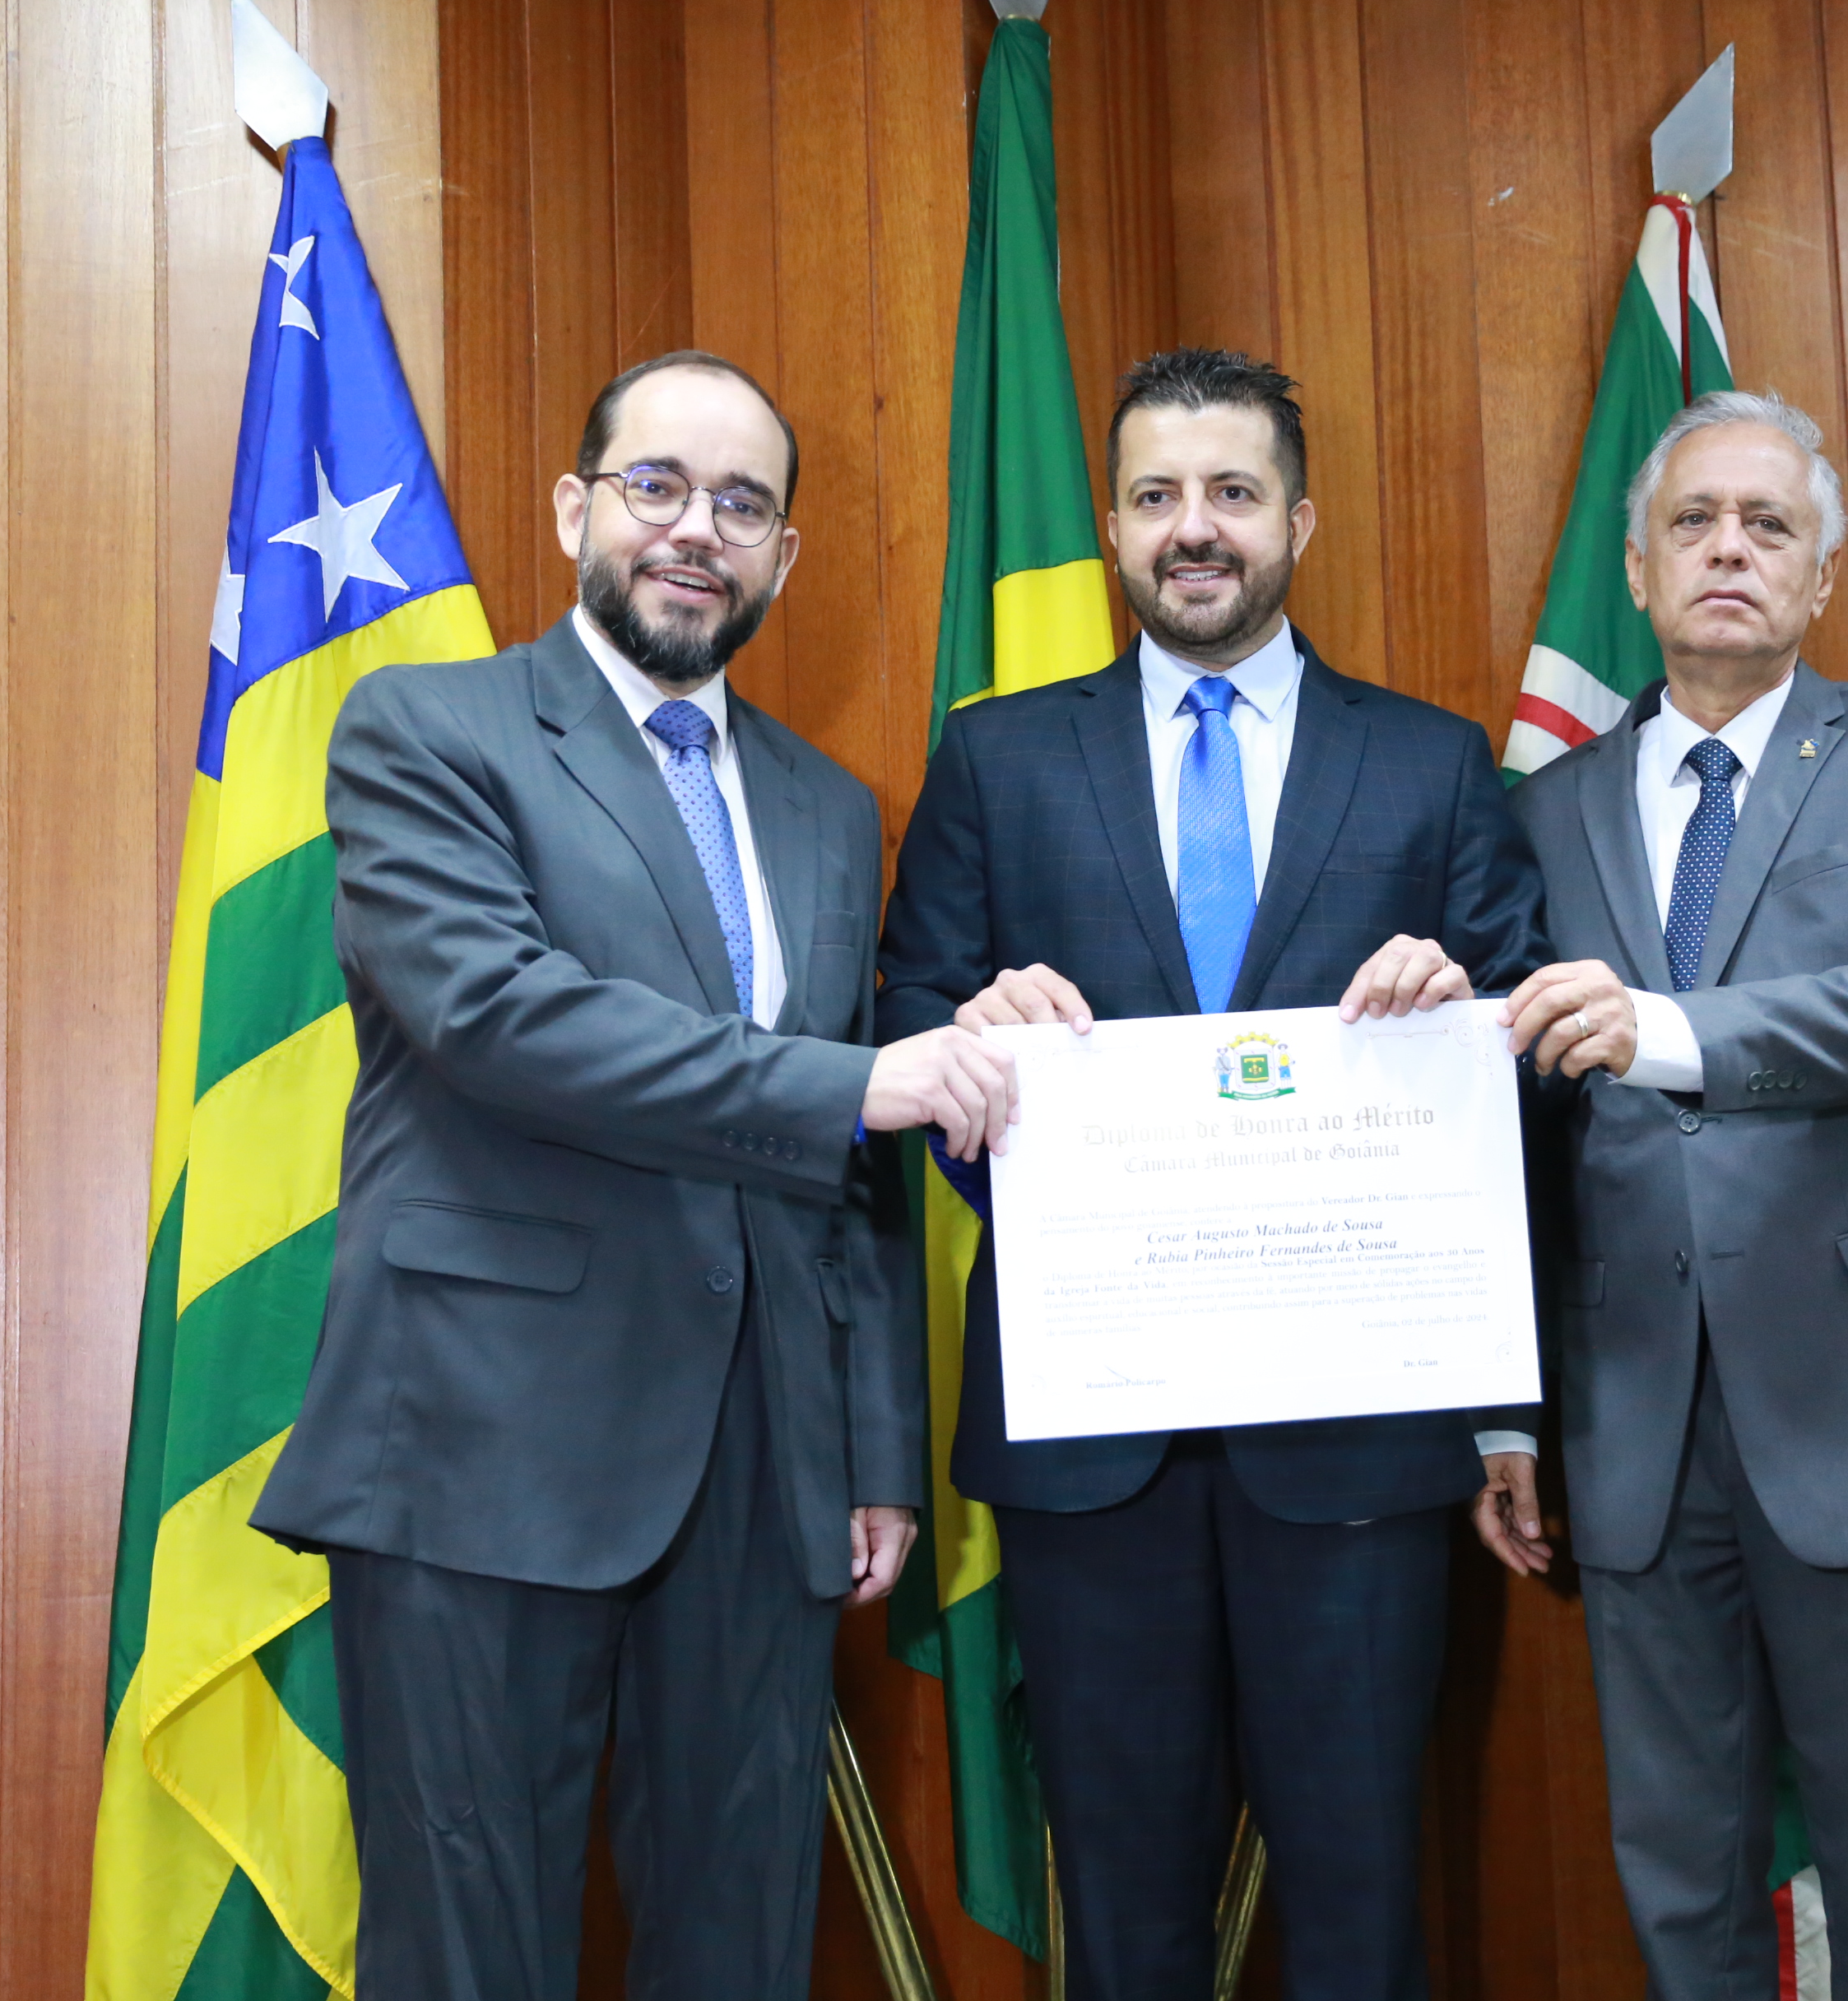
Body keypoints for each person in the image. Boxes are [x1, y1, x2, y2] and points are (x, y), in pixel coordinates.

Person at [250, 351, 1019, 2001]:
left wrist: (873, 1445)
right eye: (655, 485)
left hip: (763, 1466)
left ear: (783, 556)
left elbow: (852, 1177)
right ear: (573, 510)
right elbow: (502, 1017)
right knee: (472, 1951)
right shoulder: (426, 729)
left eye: (742, 505)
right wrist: (858, 1085)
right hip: (482, 1441)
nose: (696, 530)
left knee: (741, 1938)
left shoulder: (830, 808)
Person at [876, 347, 1549, 2001]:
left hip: (1359, 1448)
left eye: (1234, 493)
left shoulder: (1434, 763)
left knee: (1362, 1909)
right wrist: (972, 1046)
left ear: (1297, 521)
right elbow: (903, 1027)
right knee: (1125, 1917)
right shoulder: (996, 760)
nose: (1197, 527)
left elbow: (1533, 1062)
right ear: (1112, 528)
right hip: (1093, 1438)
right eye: (1158, 495)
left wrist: (1462, 1024)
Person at [1498, 389, 1848, 2000]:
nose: (1729, 548)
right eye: (1694, 522)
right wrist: (1504, 1412)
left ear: (1820, 574)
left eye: (1769, 524)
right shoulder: (1541, 809)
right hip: (1634, 1428)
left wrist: (1659, 1032)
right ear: (1639, 572)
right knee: (1681, 1887)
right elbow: (1512, 1127)